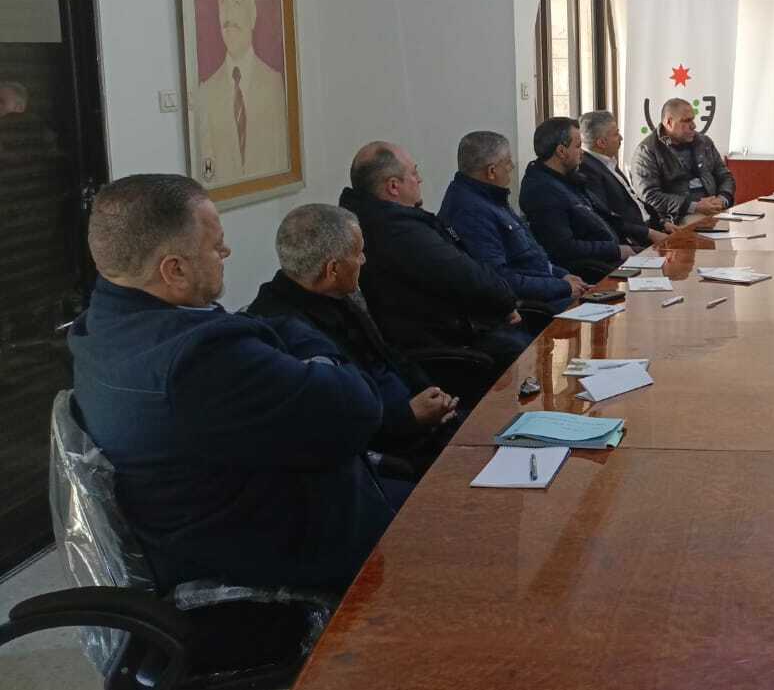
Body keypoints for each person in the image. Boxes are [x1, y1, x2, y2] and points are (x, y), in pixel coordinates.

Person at [68, 174, 395, 591]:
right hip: (278, 553)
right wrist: (313, 348)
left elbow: (258, 330)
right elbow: (360, 407)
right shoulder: (201, 358)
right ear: (175, 270)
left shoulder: (99, 326)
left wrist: (276, 338)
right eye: (215, 245)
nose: (226, 252)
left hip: (187, 529)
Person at [246, 204, 459, 468]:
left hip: (424, 420)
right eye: (358, 253)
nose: (364, 260)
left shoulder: (335, 293)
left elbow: (389, 355)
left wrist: (432, 395)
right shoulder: (285, 331)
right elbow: (334, 421)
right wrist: (409, 418)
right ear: (333, 269)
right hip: (388, 452)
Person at [338, 141, 529, 368]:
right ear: (393, 186)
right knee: (531, 355)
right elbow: (464, 275)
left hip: (456, 327)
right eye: (414, 173)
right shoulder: (399, 231)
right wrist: (506, 303)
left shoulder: (376, 219)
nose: (419, 179)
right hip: (445, 346)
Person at [440, 129, 588, 316]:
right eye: (508, 162)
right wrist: (562, 287)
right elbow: (501, 279)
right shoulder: (470, 212)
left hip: (550, 289)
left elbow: (530, 256)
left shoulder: (491, 197)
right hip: (536, 306)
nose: (511, 167)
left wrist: (562, 275)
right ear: (491, 171)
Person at [198, 0, 288, 186]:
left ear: (253, 12)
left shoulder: (276, 84)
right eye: (222, 2)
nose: (228, 15)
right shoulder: (205, 92)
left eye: (237, 2)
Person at [519, 116, 624, 283]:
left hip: (610, 255)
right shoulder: (542, 191)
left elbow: (603, 217)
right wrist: (616, 250)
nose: (582, 152)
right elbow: (564, 248)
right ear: (561, 151)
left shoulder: (569, 179)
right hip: (591, 270)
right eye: (578, 146)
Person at [631, 97, 736, 223]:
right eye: (686, 121)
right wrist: (694, 207)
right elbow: (650, 196)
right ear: (669, 122)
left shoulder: (704, 142)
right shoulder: (647, 152)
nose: (693, 126)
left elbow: (725, 176)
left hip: (715, 211)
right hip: (676, 218)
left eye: (693, 119)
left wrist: (722, 199)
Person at [577, 110, 672, 249]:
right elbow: (607, 218)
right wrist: (649, 233)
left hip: (650, 229)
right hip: (634, 240)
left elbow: (633, 200)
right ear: (601, 142)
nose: (621, 138)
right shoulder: (588, 170)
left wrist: (662, 224)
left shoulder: (608, 162)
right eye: (616, 134)